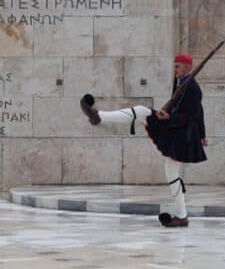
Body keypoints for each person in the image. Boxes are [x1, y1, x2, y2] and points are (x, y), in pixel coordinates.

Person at [79, 53, 208, 228]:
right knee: (141, 112)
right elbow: (196, 111)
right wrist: (203, 134)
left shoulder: (193, 87)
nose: (174, 69)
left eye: (177, 66)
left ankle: (182, 216)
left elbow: (193, 115)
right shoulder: (182, 83)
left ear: (187, 67)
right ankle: (99, 116)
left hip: (181, 135)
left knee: (171, 173)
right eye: (174, 65)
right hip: (175, 129)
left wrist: (171, 118)